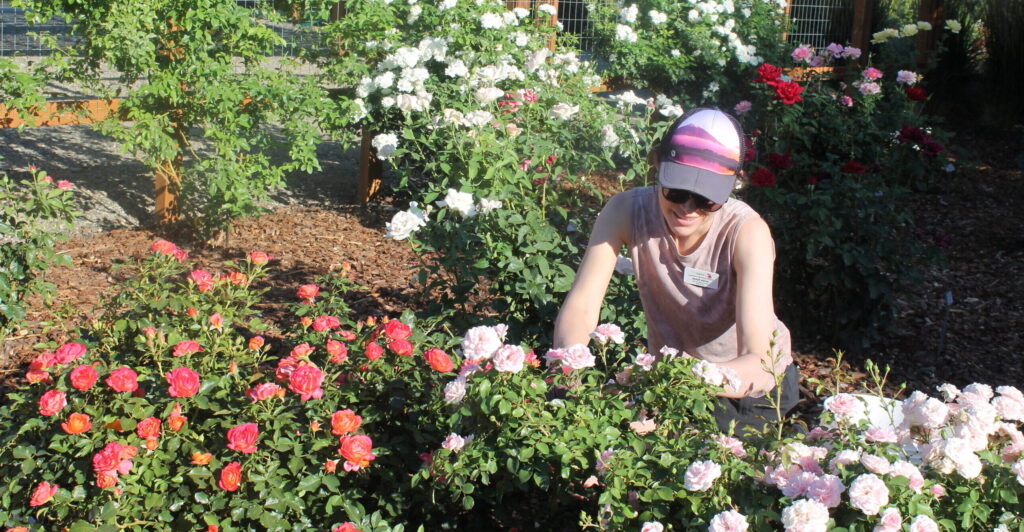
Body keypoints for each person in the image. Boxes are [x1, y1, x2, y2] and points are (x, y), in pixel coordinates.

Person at [552, 107, 798, 435]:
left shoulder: (746, 233)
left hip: (749, 392)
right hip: (671, 380)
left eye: (706, 200)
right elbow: (582, 307)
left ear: (733, 186)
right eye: (676, 190)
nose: (686, 208)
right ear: (657, 168)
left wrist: (669, 381)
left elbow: (759, 362)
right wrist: (571, 375)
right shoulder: (625, 210)